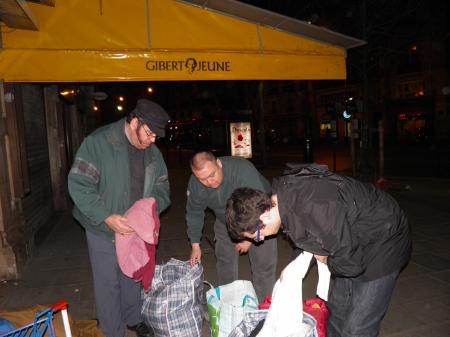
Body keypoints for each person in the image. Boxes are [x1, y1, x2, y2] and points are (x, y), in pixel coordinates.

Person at [226, 164, 412, 337]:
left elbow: (350, 264)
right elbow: (306, 233)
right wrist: (293, 267)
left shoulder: (317, 208)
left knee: (356, 327)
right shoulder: (281, 199)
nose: (260, 240)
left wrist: (327, 261)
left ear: (265, 214)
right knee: (337, 312)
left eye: (257, 234)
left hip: (384, 242)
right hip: (349, 240)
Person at [68, 99, 171, 337]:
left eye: (157, 136)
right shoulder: (98, 143)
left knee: (132, 274)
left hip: (135, 229)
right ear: (135, 121)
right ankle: (113, 331)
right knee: (108, 284)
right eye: (150, 133)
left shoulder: (153, 153)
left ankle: (133, 318)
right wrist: (105, 216)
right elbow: (79, 185)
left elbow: (163, 188)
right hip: (102, 227)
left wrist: (148, 209)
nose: (153, 140)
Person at [186, 151, 277, 301]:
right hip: (227, 219)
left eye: (212, 175)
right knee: (225, 262)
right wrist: (195, 244)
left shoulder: (241, 169)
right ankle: (229, 304)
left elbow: (260, 206)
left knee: (263, 267)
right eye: (202, 179)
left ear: (219, 164)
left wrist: (248, 239)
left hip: (261, 218)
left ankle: (264, 308)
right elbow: (194, 212)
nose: (209, 182)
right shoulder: (196, 183)